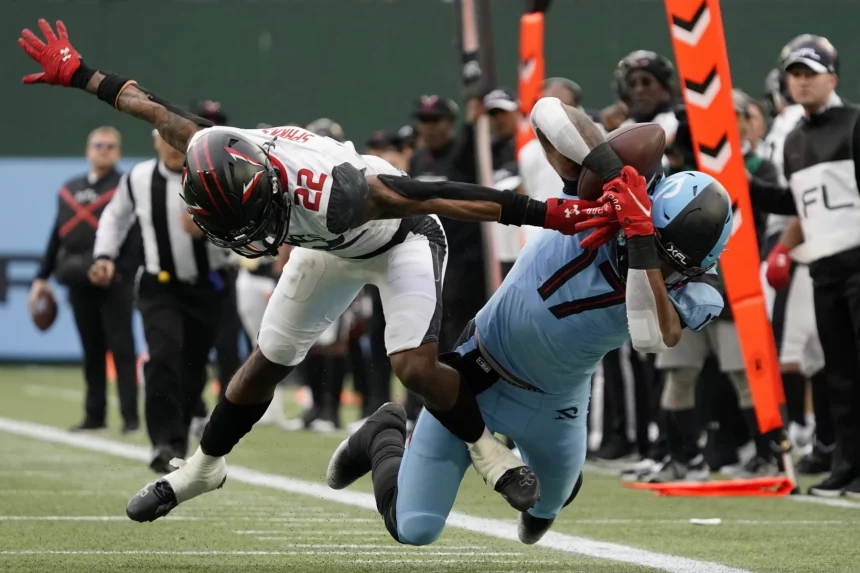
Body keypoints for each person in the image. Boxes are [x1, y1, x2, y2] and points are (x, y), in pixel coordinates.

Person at [16, 20, 627, 515]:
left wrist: (554, 214)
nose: (248, 236)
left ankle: (488, 452)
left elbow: (439, 194)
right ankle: (204, 467)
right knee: (262, 366)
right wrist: (79, 74)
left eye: (248, 220)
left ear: (269, 189)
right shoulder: (216, 144)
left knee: (413, 365)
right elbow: (145, 104)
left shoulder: (340, 190)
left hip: (398, 236)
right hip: (329, 248)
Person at [326, 164, 730, 546]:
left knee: (544, 512)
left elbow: (655, 336)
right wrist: (608, 164)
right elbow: (551, 115)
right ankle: (384, 435)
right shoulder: (595, 200)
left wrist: (643, 241)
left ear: (699, 267)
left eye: (668, 260)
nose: (654, 258)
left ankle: (554, 476)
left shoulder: (698, 292)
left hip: (558, 403)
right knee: (414, 527)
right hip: (477, 377)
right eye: (654, 243)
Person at [748, 34, 860, 497]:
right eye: (795, 74)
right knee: (839, 373)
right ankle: (848, 465)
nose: (802, 81)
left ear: (832, 77)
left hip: (858, 262)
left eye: (810, 73)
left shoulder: (854, 122)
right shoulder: (793, 140)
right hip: (823, 268)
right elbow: (797, 203)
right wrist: (742, 180)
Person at [90, 128, 231, 473]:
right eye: (166, 139)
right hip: (160, 286)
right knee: (164, 355)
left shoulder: (214, 179)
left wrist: (209, 230)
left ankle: (178, 440)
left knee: (193, 367)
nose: (173, 147)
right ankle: (163, 442)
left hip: (207, 287)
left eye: (180, 140)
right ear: (154, 141)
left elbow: (239, 239)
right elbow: (115, 216)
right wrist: (104, 255)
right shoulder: (138, 178)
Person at [30, 125, 140, 433]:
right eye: (98, 145)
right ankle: (95, 417)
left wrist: (120, 269)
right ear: (87, 149)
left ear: (118, 152)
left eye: (110, 146)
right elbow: (57, 235)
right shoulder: (69, 188)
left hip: (115, 279)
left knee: (122, 347)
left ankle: (130, 419)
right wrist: (42, 276)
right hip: (77, 278)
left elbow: (135, 234)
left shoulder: (125, 186)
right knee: (91, 349)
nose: (103, 150)